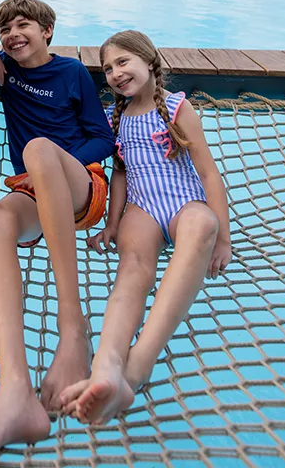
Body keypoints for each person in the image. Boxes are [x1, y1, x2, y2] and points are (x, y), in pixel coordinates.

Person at [0, 0, 114, 468]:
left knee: (37, 146)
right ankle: (14, 390)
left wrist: (59, 161)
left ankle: (73, 331)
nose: (14, 34)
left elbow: (102, 137)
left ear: (47, 31)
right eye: (5, 28)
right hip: (31, 191)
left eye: (24, 25)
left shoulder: (72, 73)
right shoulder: (5, 75)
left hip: (81, 185)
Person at [59, 30, 232, 425]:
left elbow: (207, 173)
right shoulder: (112, 118)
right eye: (107, 68)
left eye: (123, 62)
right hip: (142, 207)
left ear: (150, 61)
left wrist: (223, 237)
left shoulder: (176, 108)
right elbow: (119, 175)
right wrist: (112, 224)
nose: (115, 73)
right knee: (132, 271)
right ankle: (106, 365)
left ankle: (135, 368)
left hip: (182, 201)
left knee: (202, 224)